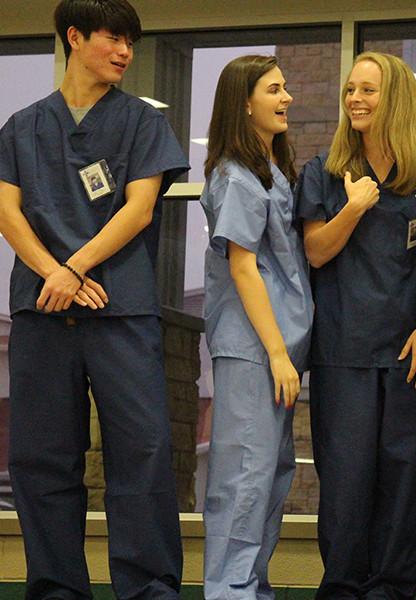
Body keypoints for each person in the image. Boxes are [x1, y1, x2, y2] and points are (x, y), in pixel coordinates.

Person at [0, 1, 187, 598]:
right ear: (75, 37)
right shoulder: (21, 126)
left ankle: (150, 588)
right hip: (44, 313)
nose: (125, 52)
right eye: (114, 38)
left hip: (120, 310)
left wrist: (73, 267)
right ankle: (55, 589)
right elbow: (6, 211)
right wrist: (53, 274)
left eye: (131, 41)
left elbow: (138, 207)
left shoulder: (142, 121)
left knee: (144, 451)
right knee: (44, 458)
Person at [294, 51, 416, 599]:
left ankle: (391, 590)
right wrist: (353, 207)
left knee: (403, 478)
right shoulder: (326, 171)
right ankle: (341, 588)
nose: (355, 99)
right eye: (350, 90)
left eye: (368, 90)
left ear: (397, 99)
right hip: (345, 348)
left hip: (411, 349)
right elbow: (315, 252)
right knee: (346, 481)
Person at [200, 55, 313, 600]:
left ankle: (248, 588)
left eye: (285, 87)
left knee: (270, 476)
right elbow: (244, 267)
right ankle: (229, 592)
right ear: (245, 103)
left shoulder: (272, 174)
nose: (287, 97)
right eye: (275, 89)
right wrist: (275, 352)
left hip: (275, 347)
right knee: (244, 477)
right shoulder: (236, 176)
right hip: (253, 349)